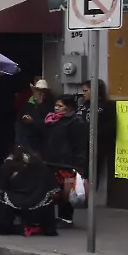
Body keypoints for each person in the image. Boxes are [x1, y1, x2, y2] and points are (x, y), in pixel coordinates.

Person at [43, 95, 89, 225]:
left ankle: (66, 217)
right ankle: (53, 217)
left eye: (60, 106)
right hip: (52, 160)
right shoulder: (52, 120)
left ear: (68, 107)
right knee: (53, 191)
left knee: (66, 192)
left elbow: (80, 145)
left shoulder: (75, 122)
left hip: (66, 163)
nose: (56, 108)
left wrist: (79, 165)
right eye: (56, 105)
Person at [15, 79, 53, 154]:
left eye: (43, 92)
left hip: (39, 145)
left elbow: (47, 127)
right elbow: (19, 124)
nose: (40, 94)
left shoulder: (48, 107)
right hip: (25, 143)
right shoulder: (27, 105)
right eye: (38, 91)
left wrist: (33, 122)